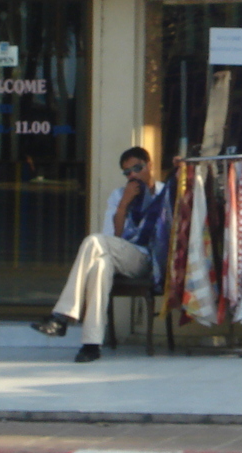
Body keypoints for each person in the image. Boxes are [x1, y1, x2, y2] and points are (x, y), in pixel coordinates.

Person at [33, 146, 162, 362]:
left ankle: (62, 316)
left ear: (149, 166)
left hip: (146, 258)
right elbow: (113, 237)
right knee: (100, 266)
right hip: (120, 253)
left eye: (136, 169)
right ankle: (91, 345)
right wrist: (123, 205)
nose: (132, 175)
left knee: (93, 241)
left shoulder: (164, 193)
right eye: (127, 172)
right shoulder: (118, 195)